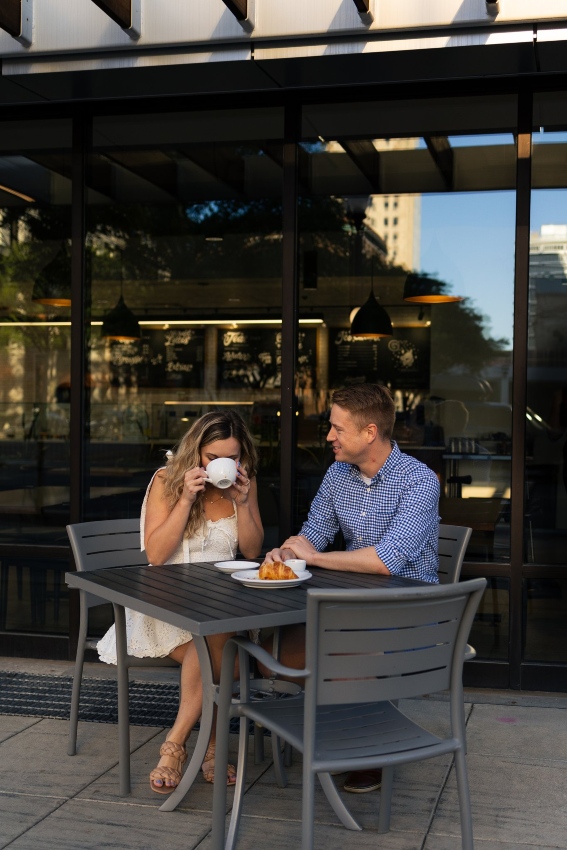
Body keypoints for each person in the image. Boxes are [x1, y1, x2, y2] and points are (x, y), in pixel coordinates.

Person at [264, 383, 440, 794]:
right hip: (350, 607)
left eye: (337, 429)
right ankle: (345, 729)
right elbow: (314, 534)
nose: (328, 436)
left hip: (407, 618)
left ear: (369, 432)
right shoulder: (337, 474)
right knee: (274, 657)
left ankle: (366, 743)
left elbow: (385, 560)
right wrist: (286, 552)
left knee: (330, 656)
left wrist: (313, 557)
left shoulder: (419, 481)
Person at [97, 410, 263, 794]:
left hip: (222, 609)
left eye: (234, 457)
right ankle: (211, 746)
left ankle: (177, 744)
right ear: (197, 452)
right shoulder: (166, 481)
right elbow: (155, 554)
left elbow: (253, 550)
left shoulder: (241, 485)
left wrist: (245, 501)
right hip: (166, 607)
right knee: (224, 648)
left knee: (220, 634)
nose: (225, 464)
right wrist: (187, 497)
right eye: (214, 457)